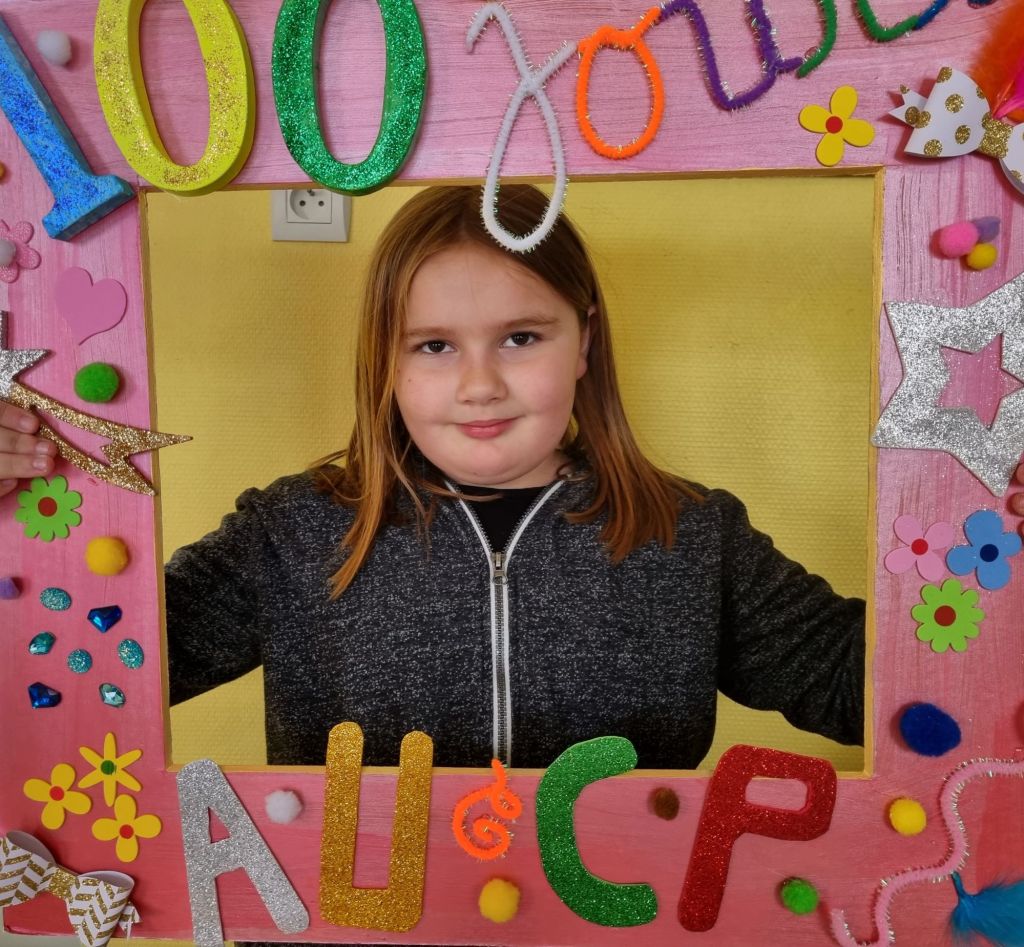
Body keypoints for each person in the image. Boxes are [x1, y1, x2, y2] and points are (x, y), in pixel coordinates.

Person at [0, 185, 881, 770]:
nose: (479, 384)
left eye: (521, 337)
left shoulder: (689, 534)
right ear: (386, 360)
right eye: (433, 346)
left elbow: (872, 688)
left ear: (584, 340)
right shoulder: (294, 531)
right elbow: (74, 671)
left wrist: (959, 516)